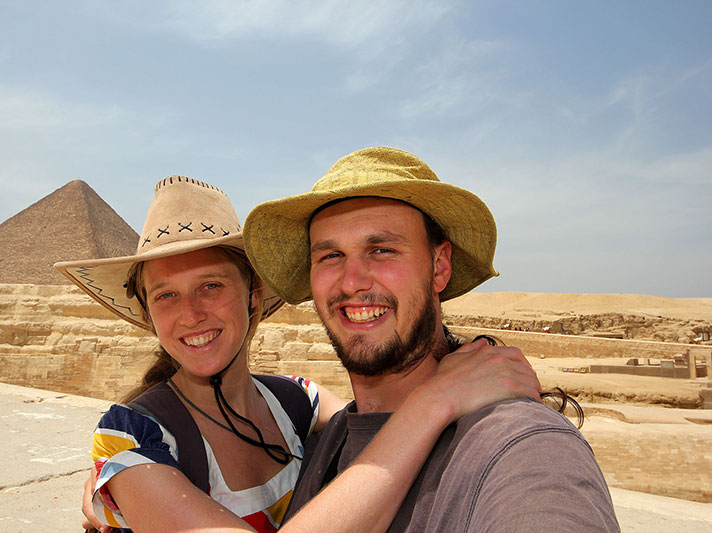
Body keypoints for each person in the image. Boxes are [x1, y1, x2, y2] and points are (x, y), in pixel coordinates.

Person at [57, 175, 541, 532]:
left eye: (211, 285)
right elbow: (409, 416)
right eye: (165, 295)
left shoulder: (298, 404)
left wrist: (464, 377)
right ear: (147, 313)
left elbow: (381, 409)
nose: (190, 314)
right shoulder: (129, 438)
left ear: (251, 295)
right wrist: (437, 399)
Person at [243, 146, 620, 531]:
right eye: (331, 256)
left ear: (439, 267)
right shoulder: (329, 440)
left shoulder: (521, 447)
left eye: (382, 250)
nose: (352, 281)